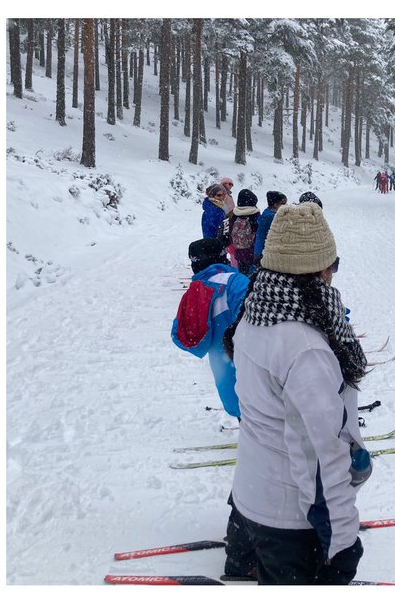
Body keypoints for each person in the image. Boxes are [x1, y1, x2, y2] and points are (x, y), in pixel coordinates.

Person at [224, 202, 369, 585]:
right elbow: (322, 456)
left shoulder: (253, 316)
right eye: (333, 265)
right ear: (319, 270)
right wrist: (342, 543)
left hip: (251, 495)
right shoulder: (305, 348)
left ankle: (239, 561)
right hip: (290, 518)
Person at [173, 235, 256, 582]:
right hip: (252, 379)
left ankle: (248, 530)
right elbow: (259, 323)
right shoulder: (236, 282)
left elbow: (183, 338)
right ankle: (250, 535)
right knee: (263, 458)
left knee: (254, 447)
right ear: (223, 255)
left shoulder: (195, 291)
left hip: (226, 385)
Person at [228, 192, 262, 278]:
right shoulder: (255, 215)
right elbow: (260, 234)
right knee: (254, 277)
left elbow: (231, 233)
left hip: (239, 252)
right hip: (252, 252)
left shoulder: (234, 215)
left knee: (243, 275)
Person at [253, 191, 286, 260]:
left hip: (261, 250)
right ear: (275, 205)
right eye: (283, 204)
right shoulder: (272, 217)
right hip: (265, 252)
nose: (285, 206)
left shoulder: (266, 213)